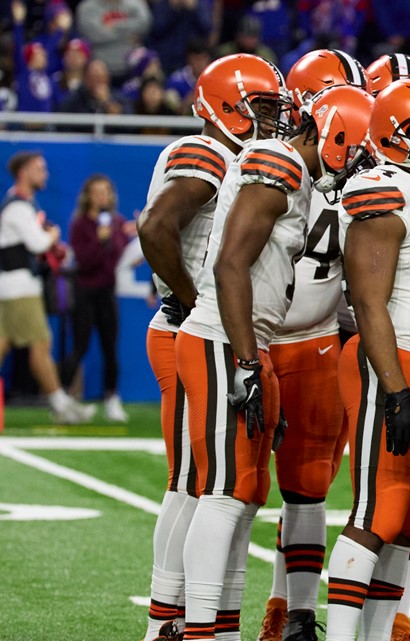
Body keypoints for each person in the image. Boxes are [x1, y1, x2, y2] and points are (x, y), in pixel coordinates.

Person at [175, 82, 366, 641]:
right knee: (226, 492)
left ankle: (220, 628)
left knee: (246, 492)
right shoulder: (277, 162)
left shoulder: (289, 169)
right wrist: (245, 361)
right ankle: (200, 629)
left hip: (243, 340)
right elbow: (231, 264)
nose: (356, 162)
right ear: (335, 136)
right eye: (354, 148)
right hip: (223, 338)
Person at [136, 53, 281, 641]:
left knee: (202, 483)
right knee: (197, 484)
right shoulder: (211, 151)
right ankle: (166, 621)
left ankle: (179, 620)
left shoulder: (226, 152)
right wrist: (196, 295)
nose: (271, 119)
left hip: (194, 329)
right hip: (191, 333)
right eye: (263, 107)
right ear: (226, 105)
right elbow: (154, 226)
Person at [323, 78, 410, 641]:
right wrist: (394, 386)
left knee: (408, 524)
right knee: (377, 514)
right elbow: (367, 299)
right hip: (394, 359)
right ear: (392, 133)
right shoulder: (382, 188)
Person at [256, 51, 367, 641]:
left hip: (318, 339)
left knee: (305, 488)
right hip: (263, 337)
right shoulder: (267, 163)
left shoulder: (357, 174)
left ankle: (292, 610)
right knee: (235, 488)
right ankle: (204, 614)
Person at [0, 151, 92, 424]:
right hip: (19, 289)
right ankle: (61, 406)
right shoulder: (18, 207)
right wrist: (51, 235)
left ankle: (61, 403)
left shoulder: (19, 204)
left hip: (13, 286)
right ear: (24, 172)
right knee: (41, 344)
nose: (45, 174)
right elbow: (38, 244)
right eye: (40, 169)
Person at [61, 174, 133, 422]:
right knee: (79, 346)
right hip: (85, 292)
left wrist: (128, 235)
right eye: (97, 191)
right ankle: (64, 401)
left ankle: (111, 398)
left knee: (110, 349)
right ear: (88, 196)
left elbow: (121, 258)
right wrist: (100, 240)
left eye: (107, 191)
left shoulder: (117, 223)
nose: (103, 196)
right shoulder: (80, 224)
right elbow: (85, 261)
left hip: (107, 293)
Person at [76, 0, 152, 82]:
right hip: (100, 70)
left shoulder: (136, 4)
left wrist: (113, 26)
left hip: (133, 69)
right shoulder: (87, 7)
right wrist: (128, 34)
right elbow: (93, 35)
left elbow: (145, 25)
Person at [57, 59, 125, 114]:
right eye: (93, 78)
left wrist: (106, 102)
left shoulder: (118, 96)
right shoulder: (75, 98)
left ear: (107, 79)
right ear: (86, 79)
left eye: (101, 78)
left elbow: (127, 125)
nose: (97, 82)